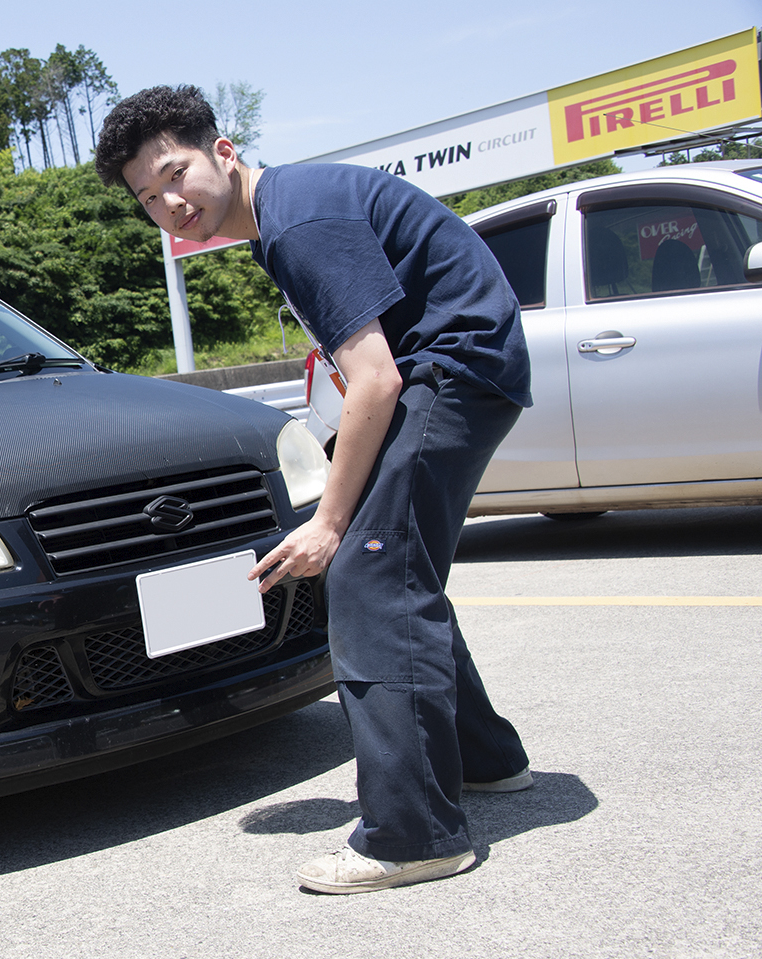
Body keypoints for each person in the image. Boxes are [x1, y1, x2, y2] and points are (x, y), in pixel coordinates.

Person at [94, 85, 534, 894]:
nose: (169, 203)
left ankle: (413, 835)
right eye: (148, 197)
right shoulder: (281, 218)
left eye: (176, 173)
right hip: (456, 369)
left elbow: (377, 378)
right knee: (393, 567)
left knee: (367, 570)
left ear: (223, 152)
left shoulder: (296, 220)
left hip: (457, 371)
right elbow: (360, 370)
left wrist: (331, 522)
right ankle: (484, 759)